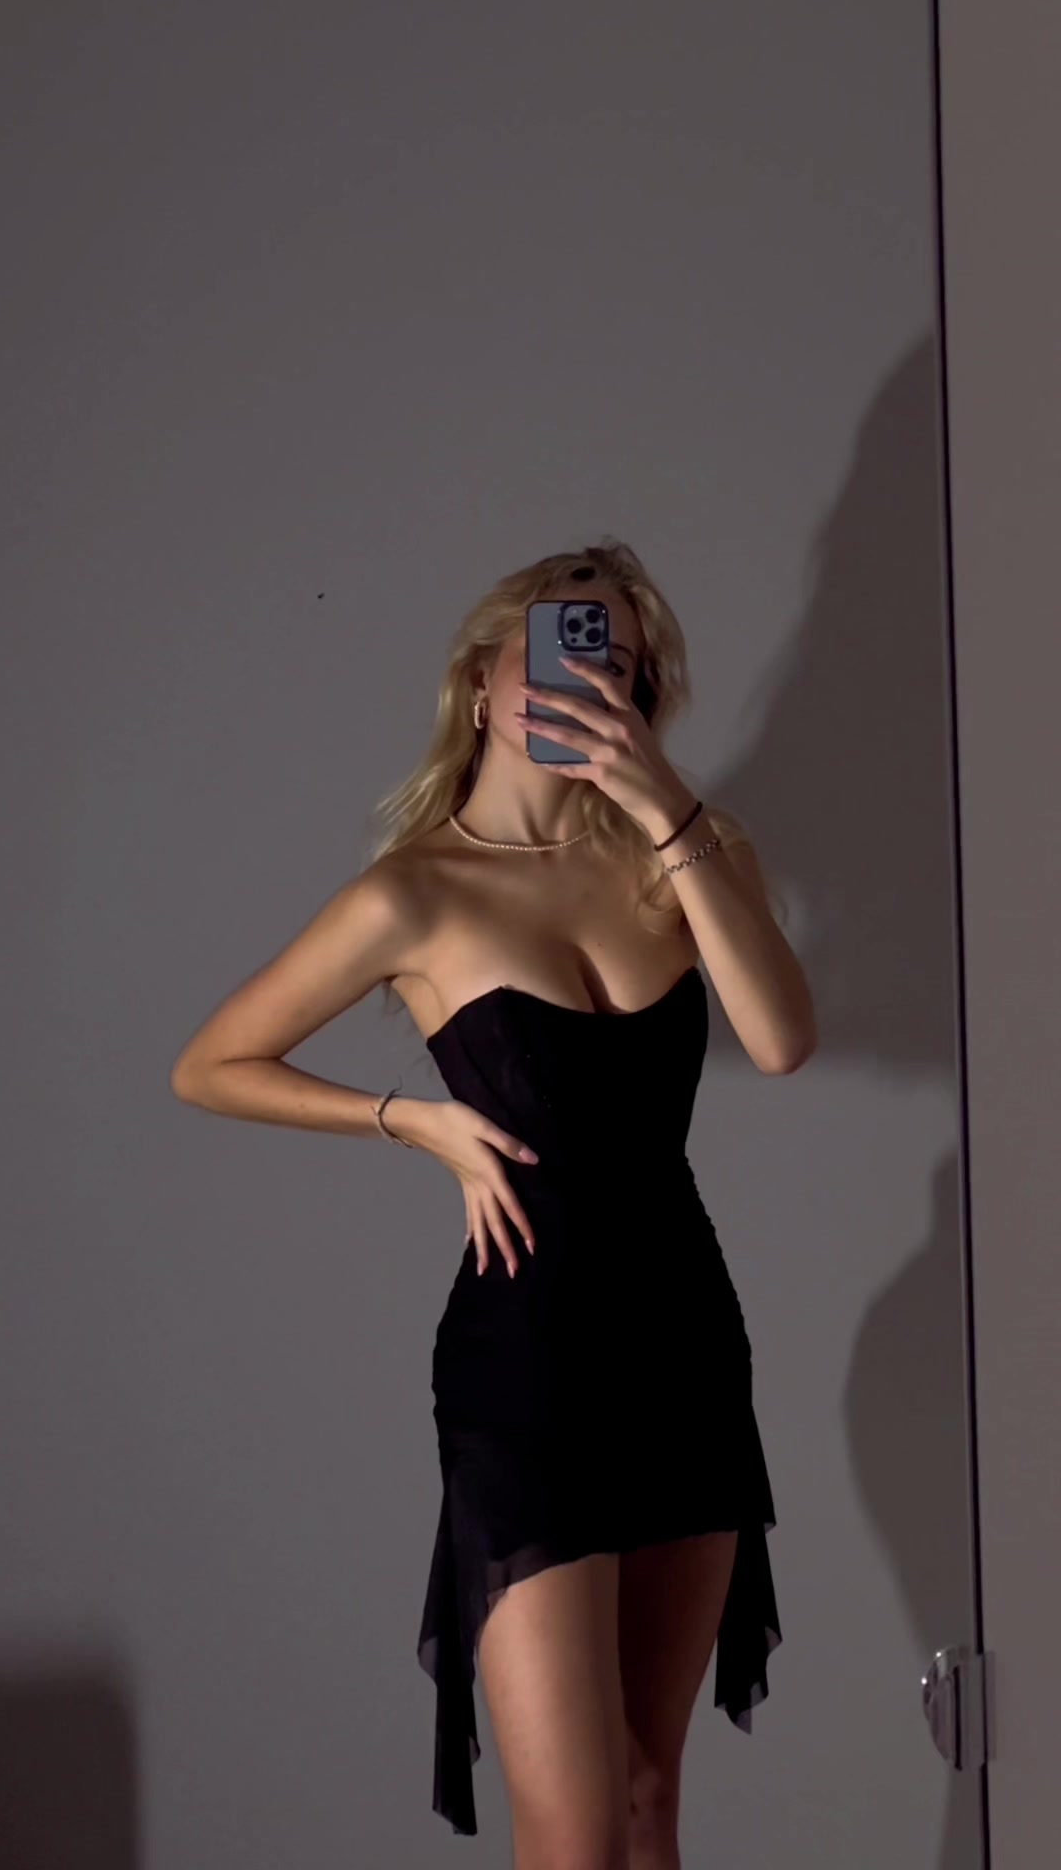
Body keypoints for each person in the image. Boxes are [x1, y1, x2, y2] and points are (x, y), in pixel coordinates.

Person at [170, 536, 816, 1864]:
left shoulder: (682, 857)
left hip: (686, 1342)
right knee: (574, 1832)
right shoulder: (415, 892)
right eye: (563, 650)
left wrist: (664, 803)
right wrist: (411, 1121)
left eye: (620, 665)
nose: (592, 681)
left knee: (648, 1801)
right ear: (481, 681)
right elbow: (210, 1065)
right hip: (528, 1360)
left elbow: (782, 1040)